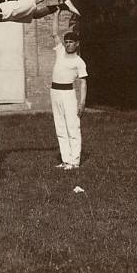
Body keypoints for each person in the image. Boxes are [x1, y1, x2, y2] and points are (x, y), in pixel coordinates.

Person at [50, 11, 89, 171]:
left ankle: (75, 160)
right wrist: (57, 14)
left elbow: (83, 83)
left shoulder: (79, 62)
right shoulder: (60, 51)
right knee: (60, 126)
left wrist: (82, 102)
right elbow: (54, 33)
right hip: (55, 92)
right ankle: (66, 159)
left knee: (72, 126)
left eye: (71, 42)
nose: (68, 44)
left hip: (68, 94)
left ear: (77, 44)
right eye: (66, 41)